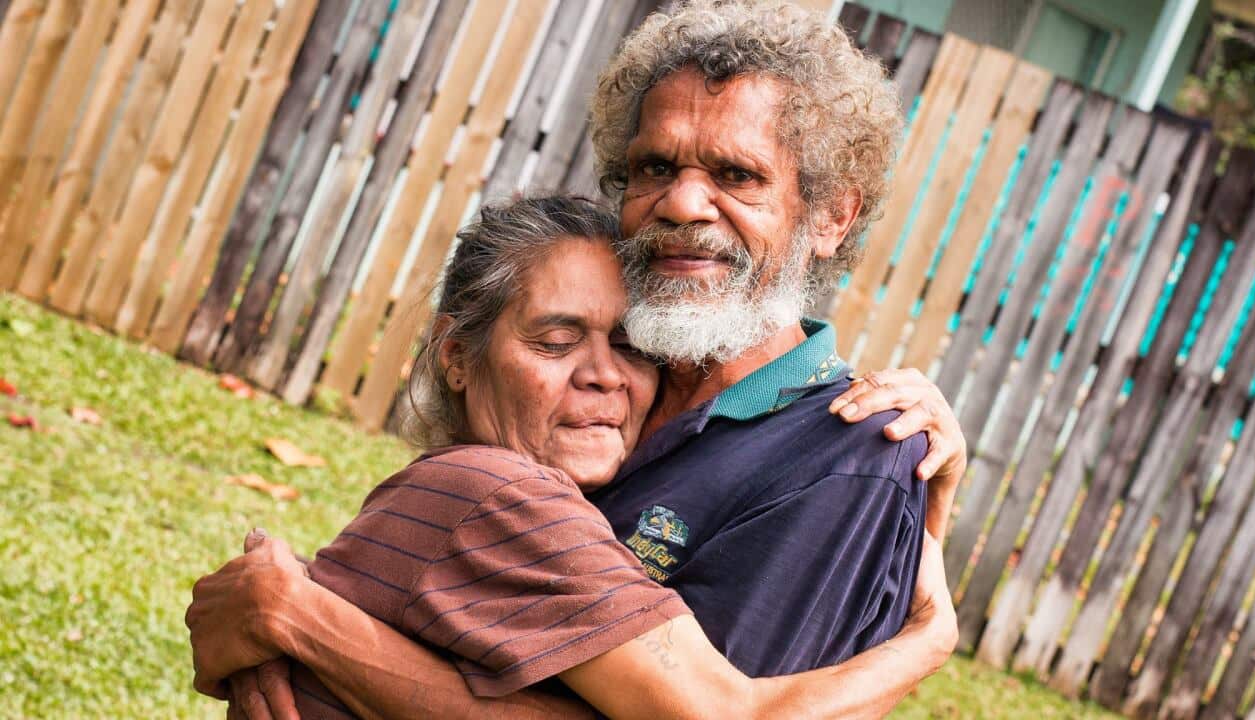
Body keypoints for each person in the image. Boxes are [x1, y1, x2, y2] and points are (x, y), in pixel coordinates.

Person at [188, 0, 967, 714]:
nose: (684, 203)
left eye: (736, 175)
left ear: (831, 214)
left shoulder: (852, 456)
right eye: (655, 167)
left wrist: (305, 626)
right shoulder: (619, 387)